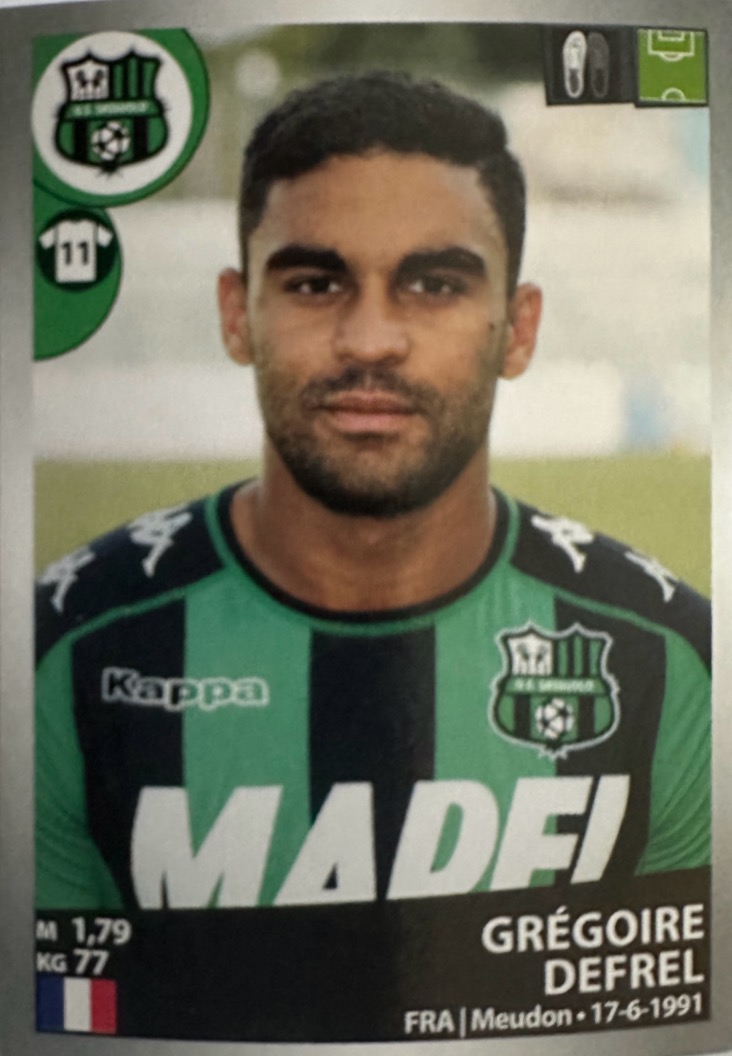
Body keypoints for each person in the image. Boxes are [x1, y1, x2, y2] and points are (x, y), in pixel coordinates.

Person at [36, 71, 709, 916]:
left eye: (435, 285)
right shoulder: (59, 653)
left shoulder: (673, 664)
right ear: (237, 315)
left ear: (519, 329)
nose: (370, 340)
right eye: (316, 284)